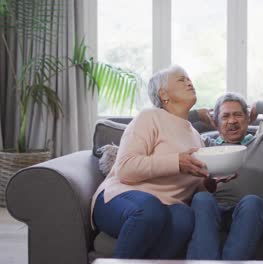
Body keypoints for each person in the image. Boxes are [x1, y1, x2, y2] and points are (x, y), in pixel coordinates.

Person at [91, 65, 213, 259]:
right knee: (150, 209)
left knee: (185, 218)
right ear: (163, 95)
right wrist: (176, 162)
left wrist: (210, 182)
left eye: (189, 78)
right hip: (119, 198)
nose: (189, 82)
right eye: (182, 79)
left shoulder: (197, 137)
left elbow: (194, 186)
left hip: (165, 208)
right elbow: (125, 168)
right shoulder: (149, 117)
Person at [187, 92, 263, 260]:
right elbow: (168, 123)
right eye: (225, 116)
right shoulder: (204, 144)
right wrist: (196, 114)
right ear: (215, 123)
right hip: (213, 210)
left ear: (248, 119)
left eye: (238, 115)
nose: (232, 121)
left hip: (250, 212)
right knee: (202, 198)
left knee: (253, 202)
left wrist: (259, 106)